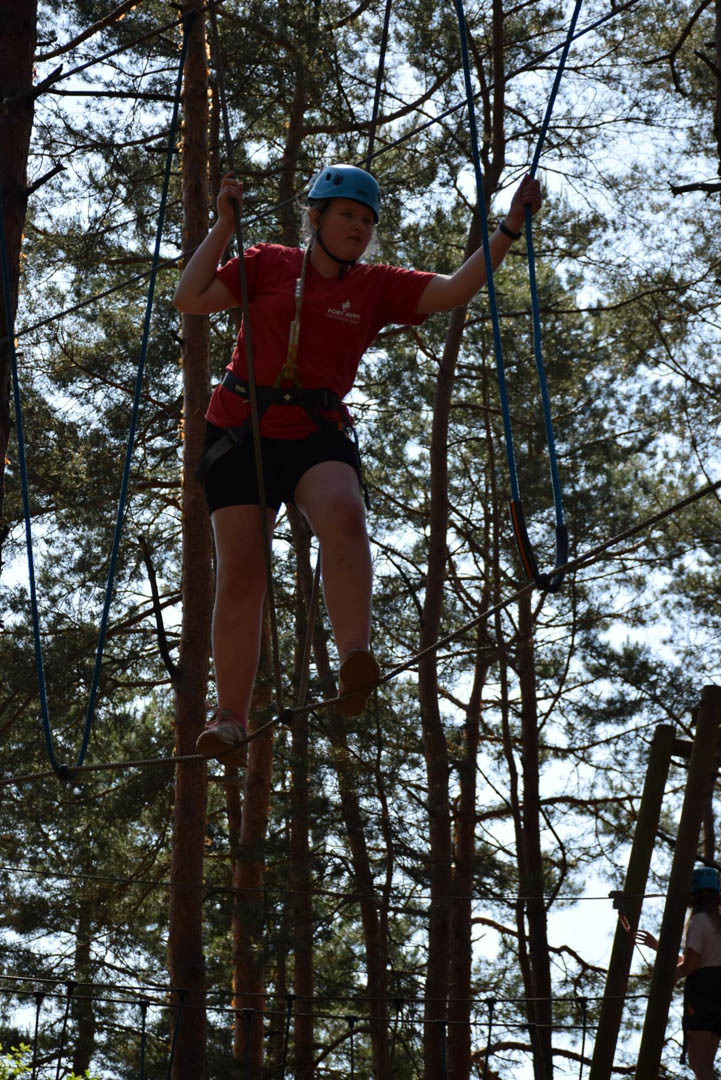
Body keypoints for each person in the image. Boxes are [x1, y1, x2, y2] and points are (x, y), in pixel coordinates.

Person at [173, 163, 542, 765]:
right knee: (242, 574)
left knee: (344, 514)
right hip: (240, 431)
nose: (359, 229)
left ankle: (354, 660)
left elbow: (455, 288)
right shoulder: (268, 263)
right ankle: (230, 718)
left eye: (367, 221)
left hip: (315, 431)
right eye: (347, 215)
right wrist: (223, 228)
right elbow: (189, 297)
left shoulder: (375, 285)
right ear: (315, 217)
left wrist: (508, 229)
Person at [636, 866, 721, 1079]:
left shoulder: (698, 920)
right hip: (717, 990)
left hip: (704, 992)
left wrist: (665, 977)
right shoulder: (717, 922)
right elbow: (702, 960)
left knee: (699, 1063)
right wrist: (658, 947)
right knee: (705, 1063)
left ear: (692, 895)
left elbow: (691, 965)